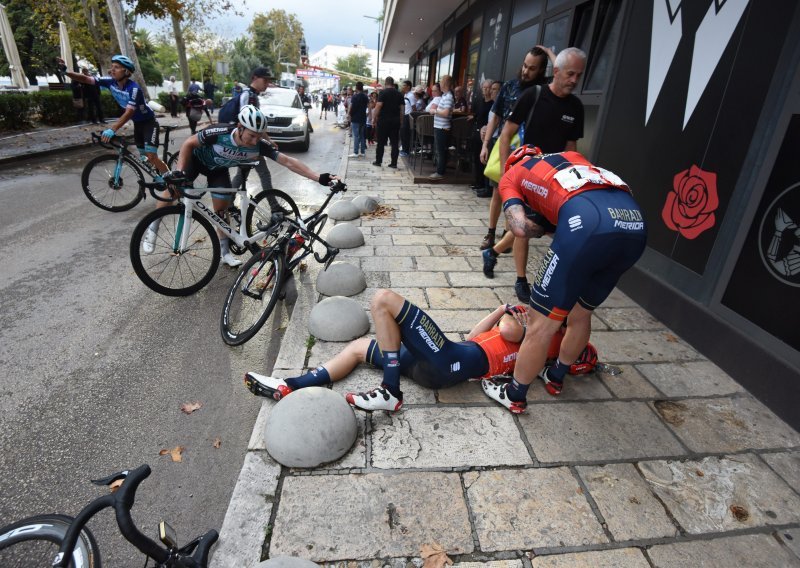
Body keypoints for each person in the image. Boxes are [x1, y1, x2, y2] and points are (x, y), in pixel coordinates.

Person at [482, 146, 646, 413]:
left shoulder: (512, 175)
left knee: (540, 324)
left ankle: (515, 394)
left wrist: (547, 228)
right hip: (635, 225)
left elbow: (520, 227)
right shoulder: (570, 158)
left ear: (512, 164)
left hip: (588, 224)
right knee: (581, 314)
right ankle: (556, 376)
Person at [244, 289, 530, 411]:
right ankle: (289, 385)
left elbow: (510, 331)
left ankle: (390, 391)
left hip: (450, 362)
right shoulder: (517, 330)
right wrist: (501, 309)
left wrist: (524, 321)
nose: (518, 315)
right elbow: (472, 337)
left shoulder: (535, 340)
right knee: (358, 348)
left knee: (384, 300)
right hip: (442, 359)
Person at [153, 105, 338, 268]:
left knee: (220, 211)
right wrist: (179, 170)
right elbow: (188, 143)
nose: (254, 141)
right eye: (251, 136)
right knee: (173, 190)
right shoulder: (220, 132)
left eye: (259, 136)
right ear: (240, 128)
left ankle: (225, 253)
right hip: (196, 160)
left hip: (218, 170)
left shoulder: (259, 145)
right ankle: (153, 228)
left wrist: (318, 177)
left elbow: (288, 162)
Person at [484, 47, 586, 303]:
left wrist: (574, 179)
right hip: (528, 174)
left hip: (555, 178)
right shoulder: (534, 95)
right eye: (570, 74)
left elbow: (571, 148)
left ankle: (493, 252)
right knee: (524, 230)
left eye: (579, 75)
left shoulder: (575, 107)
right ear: (558, 72)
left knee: (534, 227)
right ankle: (521, 280)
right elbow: (506, 134)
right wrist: (510, 172)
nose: (574, 80)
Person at [478, 46, 553, 253]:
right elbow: (496, 116)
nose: (526, 71)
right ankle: (491, 232)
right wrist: (485, 144)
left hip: (529, 154)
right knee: (498, 192)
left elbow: (561, 71)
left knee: (517, 197)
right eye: (525, 66)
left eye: (532, 68)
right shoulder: (510, 86)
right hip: (504, 147)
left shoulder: (544, 90)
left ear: (541, 70)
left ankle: (506, 233)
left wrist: (548, 52)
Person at [57, 55, 168, 177]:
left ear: (126, 71)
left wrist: (113, 129)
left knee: (151, 156)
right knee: (144, 157)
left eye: (117, 67)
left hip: (149, 123)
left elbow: (129, 112)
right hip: (138, 124)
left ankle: (172, 180)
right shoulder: (110, 82)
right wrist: (66, 71)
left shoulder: (134, 89)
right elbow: (85, 79)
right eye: (112, 67)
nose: (112, 70)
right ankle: (158, 177)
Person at [229, 66, 278, 201]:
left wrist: (268, 140)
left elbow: (257, 125)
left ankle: (227, 203)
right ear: (255, 78)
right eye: (265, 81)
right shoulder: (249, 96)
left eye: (269, 82)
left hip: (247, 141)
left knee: (242, 175)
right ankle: (275, 209)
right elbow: (249, 124)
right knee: (263, 174)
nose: (267, 85)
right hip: (248, 143)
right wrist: (262, 142)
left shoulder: (252, 95)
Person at [372, 76, 404, 169]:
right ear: (393, 84)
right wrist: (401, 121)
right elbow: (402, 109)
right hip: (395, 121)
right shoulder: (399, 94)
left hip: (383, 121)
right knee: (394, 143)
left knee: (381, 142)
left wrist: (374, 119)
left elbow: (378, 106)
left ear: (385, 84)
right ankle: (394, 163)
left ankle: (378, 161)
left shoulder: (383, 92)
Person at [470, 79, 496, 196]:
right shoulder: (479, 101)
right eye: (484, 88)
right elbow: (476, 114)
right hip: (477, 131)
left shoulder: (493, 104)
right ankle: (478, 182)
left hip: (487, 134)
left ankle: (486, 186)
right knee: (476, 158)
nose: (485, 90)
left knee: (485, 160)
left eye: (488, 88)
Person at [429, 74, 454, 181]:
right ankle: (440, 170)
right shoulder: (445, 96)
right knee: (439, 150)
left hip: (442, 127)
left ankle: (440, 172)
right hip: (440, 127)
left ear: (445, 84)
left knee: (440, 151)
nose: (440, 83)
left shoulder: (448, 97)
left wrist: (435, 111)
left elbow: (445, 113)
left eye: (441, 81)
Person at [348, 81, 369, 159]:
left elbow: (352, 107)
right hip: (363, 118)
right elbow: (368, 106)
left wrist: (349, 115)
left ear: (356, 88)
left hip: (355, 118)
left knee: (356, 136)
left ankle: (356, 152)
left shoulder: (355, 96)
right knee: (362, 135)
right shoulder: (365, 96)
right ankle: (363, 152)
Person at [400, 80, 414, 157]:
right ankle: (404, 149)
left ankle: (406, 151)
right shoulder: (406, 95)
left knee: (405, 134)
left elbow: (414, 107)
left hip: (408, 116)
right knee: (402, 133)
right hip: (404, 116)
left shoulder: (411, 96)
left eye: (404, 85)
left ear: (408, 86)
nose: (402, 86)